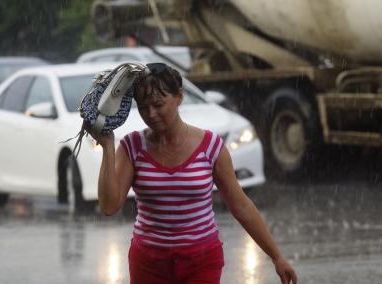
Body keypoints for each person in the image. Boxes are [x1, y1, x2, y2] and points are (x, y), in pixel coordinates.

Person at [88, 62, 297, 284]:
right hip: (148, 263)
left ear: (179, 97)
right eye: (143, 107)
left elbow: (241, 206)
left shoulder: (210, 146)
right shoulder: (132, 147)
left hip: (201, 261)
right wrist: (108, 147)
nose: (151, 114)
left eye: (158, 104)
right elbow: (109, 206)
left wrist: (277, 257)